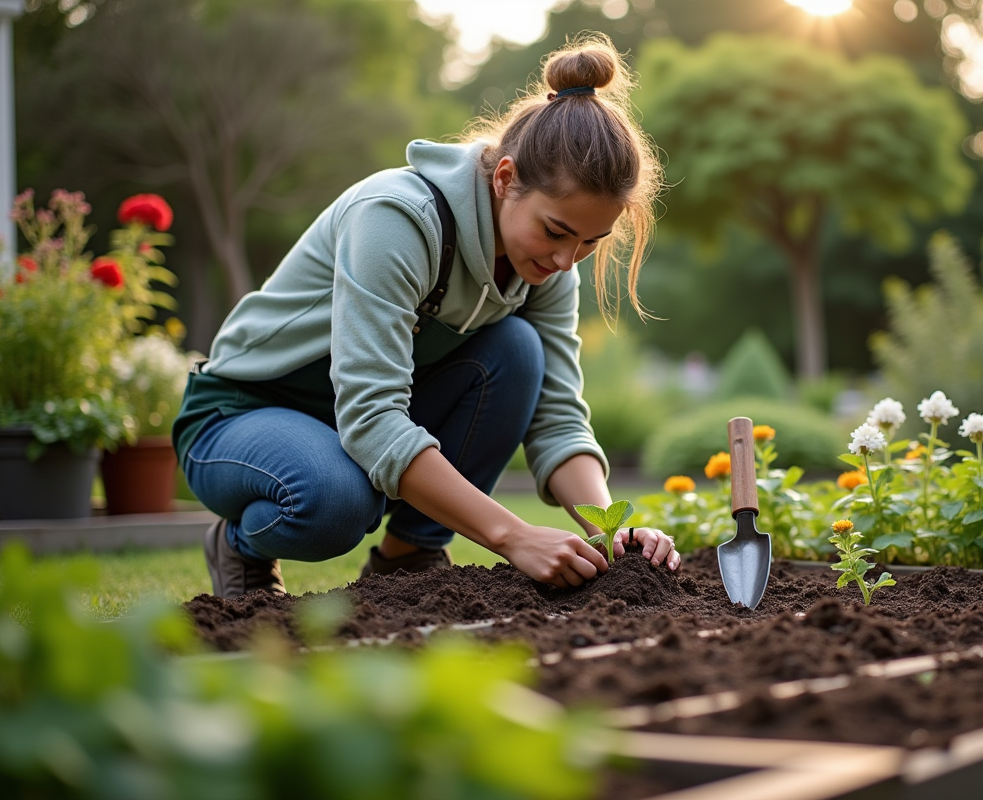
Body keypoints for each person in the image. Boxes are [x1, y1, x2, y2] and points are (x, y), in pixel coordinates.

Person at [173, 34, 680, 599]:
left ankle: (409, 555)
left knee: (516, 351)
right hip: (243, 414)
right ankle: (239, 545)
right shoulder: (396, 219)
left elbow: (557, 415)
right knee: (336, 501)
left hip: (347, 426)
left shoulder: (548, 265)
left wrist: (612, 528)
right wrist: (512, 537)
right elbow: (370, 417)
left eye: (590, 241)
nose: (567, 260)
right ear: (506, 179)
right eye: (556, 231)